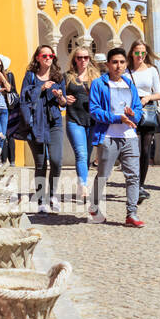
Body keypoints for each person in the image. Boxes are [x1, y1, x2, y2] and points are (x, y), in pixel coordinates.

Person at [88, 46, 144, 226]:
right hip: (108, 136)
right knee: (103, 174)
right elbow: (95, 110)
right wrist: (117, 118)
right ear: (108, 64)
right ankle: (94, 206)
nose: (118, 66)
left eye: (121, 62)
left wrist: (133, 114)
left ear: (126, 64)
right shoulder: (98, 84)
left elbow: (138, 108)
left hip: (129, 137)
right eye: (114, 62)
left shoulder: (130, 84)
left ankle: (131, 214)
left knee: (133, 176)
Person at [20, 45, 67, 212]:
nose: (48, 58)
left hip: (54, 122)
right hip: (35, 124)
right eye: (44, 55)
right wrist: (41, 87)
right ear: (38, 58)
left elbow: (63, 103)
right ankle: (41, 201)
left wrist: (60, 96)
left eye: (51, 55)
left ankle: (53, 195)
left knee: (56, 161)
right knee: (40, 164)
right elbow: (24, 97)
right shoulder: (30, 76)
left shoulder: (58, 77)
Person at [127, 40, 160, 204]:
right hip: (132, 111)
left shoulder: (152, 70)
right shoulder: (127, 72)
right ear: (132, 53)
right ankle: (134, 184)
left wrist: (148, 97)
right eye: (137, 52)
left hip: (147, 109)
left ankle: (140, 185)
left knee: (145, 149)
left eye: (142, 52)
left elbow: (159, 94)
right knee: (133, 149)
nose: (140, 55)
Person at [64, 44, 100, 205]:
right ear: (75, 60)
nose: (83, 60)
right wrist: (63, 99)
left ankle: (81, 182)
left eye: (86, 57)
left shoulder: (97, 77)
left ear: (90, 59)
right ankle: (83, 186)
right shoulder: (67, 77)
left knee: (87, 154)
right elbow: (60, 97)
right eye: (79, 57)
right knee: (81, 153)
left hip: (92, 121)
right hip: (74, 119)